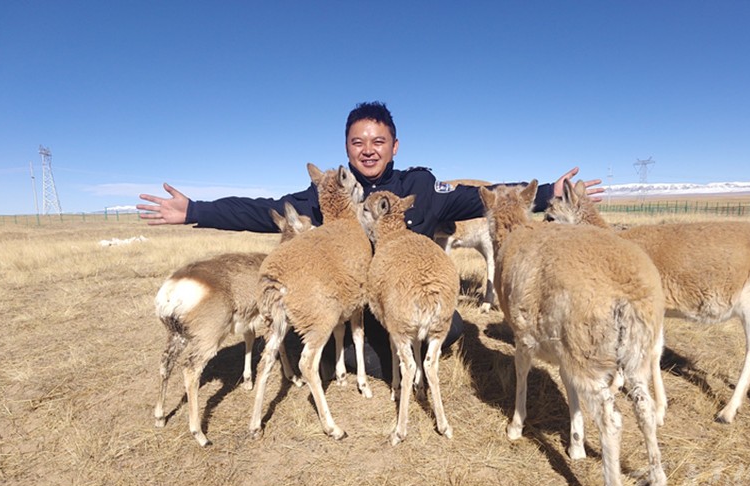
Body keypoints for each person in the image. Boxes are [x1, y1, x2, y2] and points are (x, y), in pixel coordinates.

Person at [137, 101, 604, 380]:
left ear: (394, 146)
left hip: (403, 302)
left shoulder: (421, 187)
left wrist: (548, 191)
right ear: (346, 147)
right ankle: (346, 356)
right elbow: (262, 210)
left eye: (378, 141)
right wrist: (195, 210)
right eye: (358, 142)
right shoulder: (331, 195)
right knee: (342, 354)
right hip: (354, 305)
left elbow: (480, 197)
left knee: (451, 328)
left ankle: (379, 355)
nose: (368, 150)